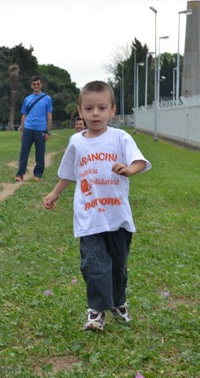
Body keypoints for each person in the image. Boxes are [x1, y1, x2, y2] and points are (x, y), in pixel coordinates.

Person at [43, 81, 151, 332]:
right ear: (80, 111)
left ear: (112, 110)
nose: (95, 114)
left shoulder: (120, 137)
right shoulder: (76, 142)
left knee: (117, 263)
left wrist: (129, 170)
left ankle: (119, 301)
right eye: (89, 108)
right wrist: (55, 193)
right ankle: (96, 311)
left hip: (118, 217)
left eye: (102, 108)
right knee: (93, 263)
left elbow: (139, 161)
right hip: (89, 216)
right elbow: (70, 172)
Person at [15, 76, 53, 182]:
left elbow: (49, 115)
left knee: (40, 153)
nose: (36, 86)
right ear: (31, 86)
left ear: (41, 85)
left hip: (40, 129)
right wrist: (22, 131)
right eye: (34, 84)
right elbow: (24, 115)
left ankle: (38, 174)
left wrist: (48, 131)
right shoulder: (27, 99)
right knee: (24, 152)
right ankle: (20, 174)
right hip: (28, 128)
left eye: (38, 84)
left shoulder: (47, 99)